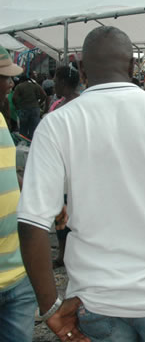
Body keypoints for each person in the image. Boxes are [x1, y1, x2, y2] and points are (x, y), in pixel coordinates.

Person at [17, 26, 145, 342]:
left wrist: (49, 306)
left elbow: (31, 224)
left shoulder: (58, 123)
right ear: (133, 68)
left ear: (81, 71)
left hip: (94, 301)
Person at [0, 46, 37, 342]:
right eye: (3, 77)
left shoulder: (1, 121)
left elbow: (9, 174)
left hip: (16, 273)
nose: (10, 84)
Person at [45, 64, 82, 270]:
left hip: (76, 172)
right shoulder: (58, 103)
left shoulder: (80, 104)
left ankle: (73, 254)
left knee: (76, 216)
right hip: (61, 173)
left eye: (57, 81)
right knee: (61, 216)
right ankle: (62, 252)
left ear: (64, 82)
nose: (54, 85)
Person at [12, 75, 46, 140]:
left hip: (24, 109)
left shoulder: (20, 86)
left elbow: (14, 98)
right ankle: (32, 144)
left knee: (23, 129)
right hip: (35, 109)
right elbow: (44, 95)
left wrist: (17, 107)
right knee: (33, 130)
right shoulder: (35, 85)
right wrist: (38, 104)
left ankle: (23, 144)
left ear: (21, 80)